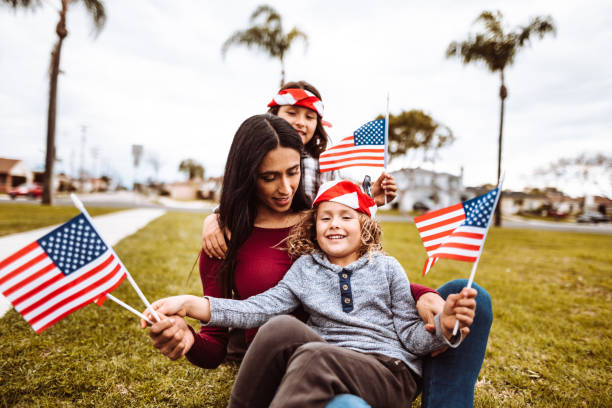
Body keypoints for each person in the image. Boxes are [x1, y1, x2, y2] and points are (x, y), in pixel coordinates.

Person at [143, 180, 478, 407]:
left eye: (346, 217)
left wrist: (443, 324)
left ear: (365, 228)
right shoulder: (305, 269)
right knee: (278, 328)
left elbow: (412, 338)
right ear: (313, 228)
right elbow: (257, 309)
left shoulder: (386, 268)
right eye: (325, 218)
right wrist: (191, 304)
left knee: (313, 356)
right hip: (330, 364)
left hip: (389, 372)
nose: (334, 224)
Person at [200, 80, 398, 260]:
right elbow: (240, 195)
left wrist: (370, 197)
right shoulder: (256, 155)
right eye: (292, 113)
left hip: (310, 252)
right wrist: (216, 218)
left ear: (318, 124)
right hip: (265, 249)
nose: (300, 122)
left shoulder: (326, 164)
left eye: (309, 117)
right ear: (274, 115)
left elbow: (339, 206)